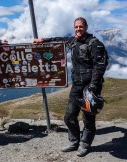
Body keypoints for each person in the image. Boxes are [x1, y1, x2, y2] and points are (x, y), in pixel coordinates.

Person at [34, 17, 108, 157]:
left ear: (86, 27)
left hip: (90, 87)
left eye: (80, 26)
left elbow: (100, 66)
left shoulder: (95, 44)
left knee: (88, 118)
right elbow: (59, 39)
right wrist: (42, 40)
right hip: (76, 85)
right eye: (76, 27)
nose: (78, 29)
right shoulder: (73, 41)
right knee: (69, 116)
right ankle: (74, 142)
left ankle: (85, 144)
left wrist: (93, 86)